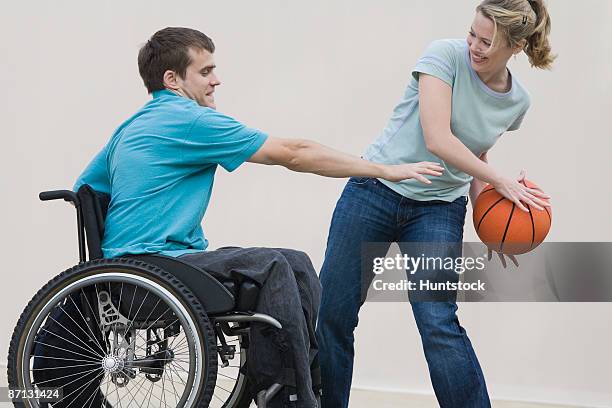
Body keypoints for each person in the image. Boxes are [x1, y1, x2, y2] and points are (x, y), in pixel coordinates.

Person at [33, 27, 442, 408]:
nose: (216, 80)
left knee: (295, 261)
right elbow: (293, 153)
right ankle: (285, 395)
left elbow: (87, 190)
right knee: (276, 265)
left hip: (128, 268)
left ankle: (298, 387)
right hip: (155, 268)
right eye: (206, 70)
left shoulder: (131, 126)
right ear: (174, 80)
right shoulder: (189, 119)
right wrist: (384, 170)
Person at [315, 0, 554, 407]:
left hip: (438, 208)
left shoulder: (517, 102)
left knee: (437, 320)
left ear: (515, 46)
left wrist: (493, 225)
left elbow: (476, 156)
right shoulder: (444, 55)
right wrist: (500, 182)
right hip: (374, 190)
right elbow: (438, 139)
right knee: (334, 315)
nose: (475, 47)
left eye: (488, 43)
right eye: (473, 35)